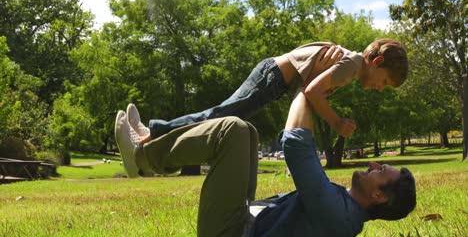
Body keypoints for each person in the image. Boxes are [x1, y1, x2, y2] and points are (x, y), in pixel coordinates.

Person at [114, 90, 416, 236]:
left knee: (231, 131)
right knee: (247, 133)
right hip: (246, 220)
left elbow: (296, 147)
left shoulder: (338, 215)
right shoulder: (343, 209)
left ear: (378, 196)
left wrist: (308, 89)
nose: (375, 165)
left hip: (232, 233)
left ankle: (142, 159)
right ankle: (149, 141)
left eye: (381, 171)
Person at [136, 39, 408, 147]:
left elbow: (307, 83)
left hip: (274, 79)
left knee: (221, 118)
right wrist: (336, 122)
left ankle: (150, 135)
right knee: (219, 116)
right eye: (383, 82)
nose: (378, 88)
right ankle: (151, 134)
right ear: (377, 63)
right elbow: (313, 92)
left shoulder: (349, 63)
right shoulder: (351, 66)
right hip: (272, 77)